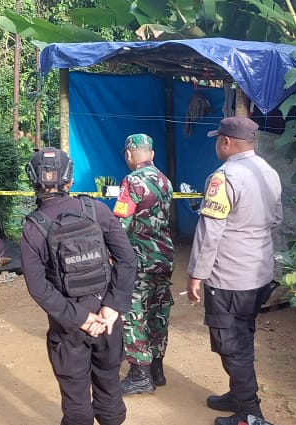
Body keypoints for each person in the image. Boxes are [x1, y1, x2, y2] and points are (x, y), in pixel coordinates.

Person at [20, 147, 136, 425]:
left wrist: (81, 319)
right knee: (109, 386)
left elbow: (39, 288)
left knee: (75, 398)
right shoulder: (96, 210)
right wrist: (112, 307)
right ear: (70, 180)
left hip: (68, 327)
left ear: (32, 181)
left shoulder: (33, 228)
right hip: (107, 321)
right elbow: (127, 259)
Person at [186, 117, 282, 425]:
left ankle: (250, 413)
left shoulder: (224, 177)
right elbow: (276, 219)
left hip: (229, 277)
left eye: (218, 139)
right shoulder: (268, 171)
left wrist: (197, 274)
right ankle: (239, 394)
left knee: (231, 344)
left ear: (226, 142)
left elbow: (210, 232)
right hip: (259, 273)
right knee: (243, 334)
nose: (217, 144)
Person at [111, 133, 176, 395]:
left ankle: (140, 374)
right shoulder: (165, 181)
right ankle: (157, 368)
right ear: (152, 154)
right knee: (157, 312)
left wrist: (111, 254)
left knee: (133, 314)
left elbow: (120, 225)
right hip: (164, 257)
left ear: (128, 154)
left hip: (139, 259)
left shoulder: (132, 181)